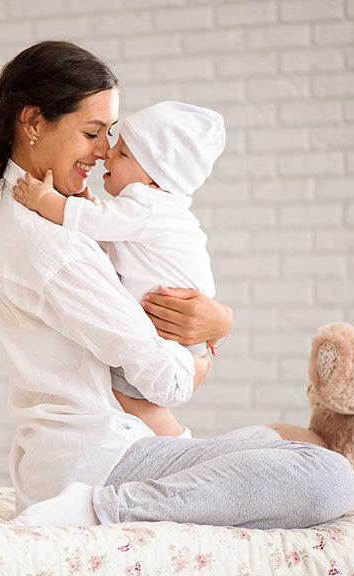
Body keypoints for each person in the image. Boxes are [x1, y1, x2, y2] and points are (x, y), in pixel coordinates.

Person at [0, 40, 354, 528]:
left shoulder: (66, 215)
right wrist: (203, 356)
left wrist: (217, 321)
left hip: (105, 446)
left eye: (109, 135)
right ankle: (96, 511)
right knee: (327, 476)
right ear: (34, 121)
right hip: (97, 463)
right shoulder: (50, 242)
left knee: (282, 441)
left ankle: (121, 497)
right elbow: (165, 381)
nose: (105, 152)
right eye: (92, 132)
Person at [12, 100, 225, 438]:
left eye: (123, 153)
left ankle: (175, 443)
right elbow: (113, 234)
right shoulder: (153, 210)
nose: (108, 154)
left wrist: (43, 200)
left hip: (175, 340)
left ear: (155, 181)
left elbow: (91, 223)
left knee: (127, 395)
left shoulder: (149, 206)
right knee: (128, 397)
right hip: (187, 339)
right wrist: (88, 201)